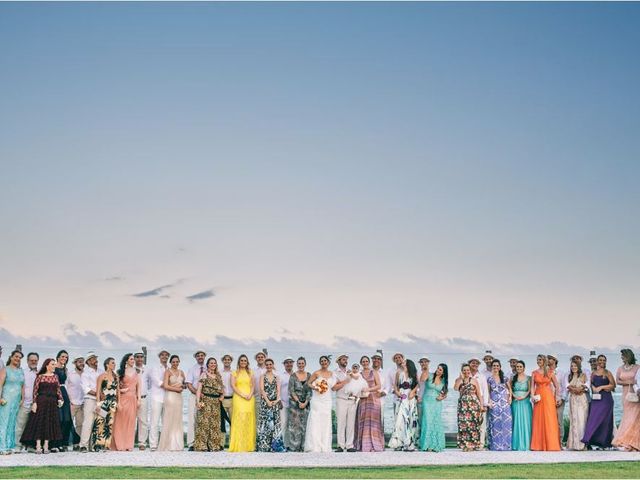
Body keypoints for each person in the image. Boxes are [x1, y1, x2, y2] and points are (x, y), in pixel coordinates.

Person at [20, 358, 64, 453]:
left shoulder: (55, 376)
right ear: (47, 365)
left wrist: (61, 399)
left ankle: (46, 445)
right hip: (41, 401)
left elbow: (58, 389)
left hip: (52, 402)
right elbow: (35, 391)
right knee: (39, 422)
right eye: (52, 364)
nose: (54, 366)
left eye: (54, 364)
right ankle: (38, 445)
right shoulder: (40, 376)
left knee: (49, 422)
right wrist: (34, 403)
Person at [582, 354, 616, 449]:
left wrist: (601, 387)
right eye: (600, 360)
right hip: (596, 400)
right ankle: (588, 440)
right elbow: (591, 384)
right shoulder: (593, 373)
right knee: (593, 419)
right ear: (597, 361)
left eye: (603, 360)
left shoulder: (607, 373)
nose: (602, 362)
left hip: (606, 400)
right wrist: (593, 387)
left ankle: (604, 443)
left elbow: (613, 385)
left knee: (605, 421)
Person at [304, 355, 337, 453]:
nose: (323, 362)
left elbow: (334, 387)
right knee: (315, 420)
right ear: (320, 363)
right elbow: (308, 383)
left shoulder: (332, 374)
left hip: (327, 400)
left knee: (326, 421)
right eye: (322, 361)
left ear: (328, 362)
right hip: (317, 400)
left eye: (325, 361)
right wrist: (316, 387)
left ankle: (325, 445)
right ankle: (314, 446)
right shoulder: (316, 373)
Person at [354, 355, 384, 452]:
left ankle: (374, 444)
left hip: (373, 399)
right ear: (361, 363)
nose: (365, 363)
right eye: (363, 361)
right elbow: (355, 386)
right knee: (363, 421)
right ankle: (363, 444)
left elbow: (379, 385)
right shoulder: (359, 374)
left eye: (367, 361)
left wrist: (369, 389)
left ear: (369, 362)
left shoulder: (374, 372)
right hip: (363, 399)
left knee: (373, 422)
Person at [530, 354, 560, 451]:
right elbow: (532, 387)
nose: (538, 361)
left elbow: (557, 386)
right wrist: (532, 396)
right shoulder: (534, 373)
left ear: (544, 361)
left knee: (549, 419)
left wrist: (556, 397)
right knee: (538, 419)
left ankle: (551, 444)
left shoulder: (550, 372)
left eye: (540, 360)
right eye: (537, 360)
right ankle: (538, 445)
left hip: (548, 397)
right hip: (538, 397)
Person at [111, 354, 141, 451]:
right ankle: (119, 444)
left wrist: (139, 399)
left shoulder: (137, 372)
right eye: (131, 359)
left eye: (133, 359)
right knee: (120, 422)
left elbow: (139, 387)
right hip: (123, 398)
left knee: (131, 422)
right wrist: (119, 400)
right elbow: (116, 387)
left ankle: (128, 445)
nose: (133, 360)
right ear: (126, 361)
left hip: (133, 399)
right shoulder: (120, 372)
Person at [194, 357, 224, 452]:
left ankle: (214, 445)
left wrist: (222, 395)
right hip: (206, 400)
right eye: (211, 363)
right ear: (207, 365)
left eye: (214, 363)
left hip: (216, 402)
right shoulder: (204, 375)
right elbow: (199, 389)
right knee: (204, 423)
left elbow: (222, 390)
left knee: (215, 424)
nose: (213, 364)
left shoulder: (218, 376)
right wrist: (198, 401)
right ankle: (202, 446)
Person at [388, 359, 419, 451]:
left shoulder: (413, 373)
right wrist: (398, 393)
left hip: (410, 397)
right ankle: (399, 443)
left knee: (411, 419)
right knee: (400, 419)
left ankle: (409, 443)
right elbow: (395, 386)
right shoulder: (398, 373)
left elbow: (418, 384)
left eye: (405, 362)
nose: (402, 363)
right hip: (402, 397)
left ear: (409, 364)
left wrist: (413, 392)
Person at [612, 349, 640, 451]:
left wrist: (633, 383)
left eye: (623, 355)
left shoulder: (637, 367)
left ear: (628, 356)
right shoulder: (620, 368)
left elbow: (637, 380)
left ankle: (632, 440)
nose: (622, 357)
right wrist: (629, 382)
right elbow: (618, 381)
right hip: (625, 394)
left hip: (635, 394)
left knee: (634, 418)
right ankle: (625, 440)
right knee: (627, 416)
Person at [257, 358, 286, 452]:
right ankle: (264, 446)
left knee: (275, 424)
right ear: (265, 366)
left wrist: (276, 400)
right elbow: (262, 390)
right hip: (265, 403)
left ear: (273, 365)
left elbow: (278, 390)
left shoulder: (276, 377)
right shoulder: (262, 376)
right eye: (267, 364)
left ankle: (275, 446)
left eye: (270, 364)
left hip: (275, 403)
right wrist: (268, 401)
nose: (269, 366)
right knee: (265, 424)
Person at [229, 354, 256, 452]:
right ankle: (239, 444)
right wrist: (242, 395)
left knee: (248, 419)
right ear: (239, 362)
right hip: (239, 397)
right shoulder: (234, 372)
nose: (243, 362)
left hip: (249, 398)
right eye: (241, 361)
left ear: (247, 362)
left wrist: (250, 394)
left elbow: (253, 385)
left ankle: (248, 446)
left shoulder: (251, 372)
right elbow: (233, 386)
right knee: (240, 418)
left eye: (245, 360)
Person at [90, 357, 119, 451]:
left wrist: (118, 402)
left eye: (114, 363)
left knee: (110, 423)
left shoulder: (116, 377)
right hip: (104, 403)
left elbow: (117, 391)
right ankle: (97, 444)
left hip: (113, 403)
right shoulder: (102, 376)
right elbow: (98, 391)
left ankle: (107, 444)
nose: (114, 364)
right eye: (112, 363)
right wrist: (98, 404)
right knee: (100, 422)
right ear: (107, 364)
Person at [158, 355, 185, 451]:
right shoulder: (167, 372)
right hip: (170, 396)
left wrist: (183, 387)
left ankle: (177, 444)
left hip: (179, 398)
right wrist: (177, 389)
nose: (175, 363)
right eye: (173, 362)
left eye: (177, 361)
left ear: (179, 362)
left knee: (177, 420)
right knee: (169, 420)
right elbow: (165, 385)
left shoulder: (181, 372)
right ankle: (167, 444)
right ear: (170, 362)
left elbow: (184, 384)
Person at [455, 363, 484, 451]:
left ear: (470, 371)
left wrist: (481, 405)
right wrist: (460, 379)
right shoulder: (459, 380)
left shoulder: (474, 380)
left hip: (473, 405)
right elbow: (456, 388)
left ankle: (473, 445)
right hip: (463, 405)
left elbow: (479, 393)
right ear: (462, 371)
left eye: (468, 370)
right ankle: (465, 445)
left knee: (473, 425)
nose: (466, 372)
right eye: (464, 370)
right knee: (463, 425)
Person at [0, 350, 25, 454]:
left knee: (12, 423)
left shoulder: (21, 371)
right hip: (6, 399)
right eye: (16, 356)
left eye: (19, 357)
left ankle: (10, 445)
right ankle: (2, 447)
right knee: (3, 422)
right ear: (11, 357)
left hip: (16, 400)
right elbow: (0, 384)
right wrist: (0, 398)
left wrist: (22, 399)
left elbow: (22, 386)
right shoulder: (5, 369)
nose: (17, 359)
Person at [419, 363, 447, 452]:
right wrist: (425, 369)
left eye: (440, 370)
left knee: (436, 421)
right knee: (427, 421)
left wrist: (442, 397)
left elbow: (445, 393)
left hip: (437, 403)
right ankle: (426, 445)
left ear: (443, 372)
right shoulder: (430, 375)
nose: (438, 371)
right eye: (438, 368)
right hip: (427, 401)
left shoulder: (443, 381)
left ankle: (436, 444)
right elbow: (422, 379)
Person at [52, 350, 77, 452]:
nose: (64, 358)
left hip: (64, 392)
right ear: (58, 357)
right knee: (59, 419)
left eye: (66, 357)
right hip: (54, 392)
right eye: (62, 356)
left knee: (67, 419)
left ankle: (63, 443)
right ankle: (55, 444)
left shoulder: (65, 369)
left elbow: (67, 383)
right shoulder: (53, 367)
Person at [487, 359, 512, 451]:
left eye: (497, 365)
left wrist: (510, 399)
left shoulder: (504, 378)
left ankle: (506, 446)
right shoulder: (489, 379)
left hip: (504, 403)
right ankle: (495, 445)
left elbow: (509, 389)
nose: (496, 367)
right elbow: (488, 392)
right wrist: (489, 402)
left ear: (500, 367)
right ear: (492, 367)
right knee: (495, 424)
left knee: (506, 424)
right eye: (494, 365)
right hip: (494, 403)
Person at [79, 351, 102, 452]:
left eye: (95, 358)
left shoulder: (101, 371)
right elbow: (86, 389)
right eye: (93, 359)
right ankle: (83, 445)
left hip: (101, 400)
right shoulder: (85, 373)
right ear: (88, 361)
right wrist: (98, 394)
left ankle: (96, 444)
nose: (95, 360)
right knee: (88, 423)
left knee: (99, 422)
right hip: (90, 400)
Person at [15, 352, 38, 452]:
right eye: (31, 360)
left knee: (33, 426)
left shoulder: (40, 372)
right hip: (25, 403)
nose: (33, 362)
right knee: (20, 425)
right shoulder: (22, 372)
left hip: (36, 404)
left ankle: (30, 446)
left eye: (35, 360)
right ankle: (17, 446)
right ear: (27, 361)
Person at [287, 357, 311, 452]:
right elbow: (291, 390)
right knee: (294, 425)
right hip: (294, 404)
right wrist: (298, 402)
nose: (301, 365)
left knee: (304, 425)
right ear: (297, 365)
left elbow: (310, 390)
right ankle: (294, 447)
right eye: (299, 363)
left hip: (306, 404)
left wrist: (305, 402)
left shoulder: (309, 375)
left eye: (302, 363)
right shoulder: (293, 376)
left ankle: (303, 446)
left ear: (305, 364)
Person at [148, 350, 169, 452]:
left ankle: (164, 444)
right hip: (156, 397)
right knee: (154, 422)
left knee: (166, 422)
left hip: (167, 398)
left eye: (166, 355)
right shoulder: (154, 368)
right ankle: (153, 445)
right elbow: (158, 382)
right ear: (159, 357)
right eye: (162, 355)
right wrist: (172, 386)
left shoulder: (169, 368)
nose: (164, 357)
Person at [566, 360, 589, 451]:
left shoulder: (583, 375)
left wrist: (580, 389)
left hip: (582, 399)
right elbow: (567, 387)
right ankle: (574, 444)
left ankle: (582, 444)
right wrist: (574, 389)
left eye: (575, 366)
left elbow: (587, 386)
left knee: (582, 420)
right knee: (574, 420)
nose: (573, 367)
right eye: (572, 366)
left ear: (579, 366)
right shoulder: (569, 376)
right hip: (573, 399)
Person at [185, 350, 206, 450]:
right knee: (192, 419)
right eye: (198, 356)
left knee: (205, 420)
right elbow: (188, 384)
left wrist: (204, 395)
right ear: (196, 358)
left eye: (202, 355)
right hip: (194, 396)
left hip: (206, 397)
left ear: (204, 356)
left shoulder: (209, 368)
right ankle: (191, 443)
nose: (200, 357)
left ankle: (204, 442)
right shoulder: (192, 369)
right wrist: (197, 393)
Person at [333, 353, 353, 452]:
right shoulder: (335, 373)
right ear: (339, 361)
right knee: (341, 423)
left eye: (346, 359)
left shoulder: (351, 372)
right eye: (343, 359)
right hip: (341, 399)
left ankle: (349, 445)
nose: (345, 361)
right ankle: (340, 445)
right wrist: (346, 381)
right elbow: (334, 387)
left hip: (352, 399)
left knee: (351, 423)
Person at [510, 360, 532, 451]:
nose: (518, 368)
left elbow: (530, 390)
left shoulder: (528, 378)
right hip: (515, 401)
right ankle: (516, 444)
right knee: (516, 421)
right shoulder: (513, 378)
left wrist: (523, 397)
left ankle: (526, 444)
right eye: (517, 367)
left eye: (520, 367)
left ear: (524, 368)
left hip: (525, 402)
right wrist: (514, 396)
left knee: (526, 422)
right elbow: (510, 389)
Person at [468, 357, 489, 448]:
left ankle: (481, 444)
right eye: (473, 363)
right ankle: (470, 443)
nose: (475, 365)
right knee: (470, 423)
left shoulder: (482, 376)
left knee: (481, 424)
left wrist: (484, 404)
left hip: (479, 403)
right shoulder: (466, 375)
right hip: (468, 403)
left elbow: (485, 391)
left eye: (477, 363)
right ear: (469, 364)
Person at [547, 354, 567, 446]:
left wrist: (561, 399)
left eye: (550, 358)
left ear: (555, 360)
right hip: (547, 401)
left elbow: (564, 387)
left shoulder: (561, 373)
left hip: (559, 400)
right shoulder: (545, 371)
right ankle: (551, 441)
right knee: (549, 421)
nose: (548, 360)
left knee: (559, 421)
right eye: (548, 358)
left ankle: (561, 441)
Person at [66, 356, 85, 451]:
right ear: (75, 363)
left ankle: (77, 444)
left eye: (83, 362)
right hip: (72, 403)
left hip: (82, 403)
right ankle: (64, 444)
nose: (82, 363)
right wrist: (69, 400)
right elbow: (65, 387)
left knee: (80, 424)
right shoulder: (70, 374)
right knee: (68, 423)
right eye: (80, 362)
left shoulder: (86, 374)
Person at [133, 352, 149, 450]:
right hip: (132, 398)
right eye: (137, 357)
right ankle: (129, 441)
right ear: (134, 358)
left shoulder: (148, 369)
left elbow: (150, 384)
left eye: (141, 357)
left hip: (143, 398)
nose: (139, 359)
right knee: (131, 421)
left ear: (143, 358)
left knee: (143, 421)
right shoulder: (130, 369)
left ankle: (142, 443)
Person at [279, 357, 294, 449]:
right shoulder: (281, 375)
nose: (289, 364)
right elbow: (278, 389)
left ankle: (290, 445)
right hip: (283, 403)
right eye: (286, 363)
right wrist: (279, 400)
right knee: (283, 423)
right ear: (284, 364)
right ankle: (283, 444)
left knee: (292, 425)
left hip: (294, 405)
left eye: (290, 362)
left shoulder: (296, 375)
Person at [220, 354, 234, 444]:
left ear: (231, 361)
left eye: (228, 359)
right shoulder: (219, 372)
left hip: (233, 399)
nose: (227, 361)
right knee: (221, 422)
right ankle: (221, 443)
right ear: (223, 361)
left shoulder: (234, 372)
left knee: (233, 422)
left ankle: (232, 443)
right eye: (225, 359)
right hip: (222, 399)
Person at [417, 357, 430, 423]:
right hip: (421, 397)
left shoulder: (432, 373)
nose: (423, 363)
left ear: (428, 362)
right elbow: (417, 386)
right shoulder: (417, 373)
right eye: (422, 362)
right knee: (420, 418)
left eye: (425, 361)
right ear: (419, 363)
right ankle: (420, 433)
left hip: (430, 399)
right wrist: (417, 396)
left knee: (428, 418)